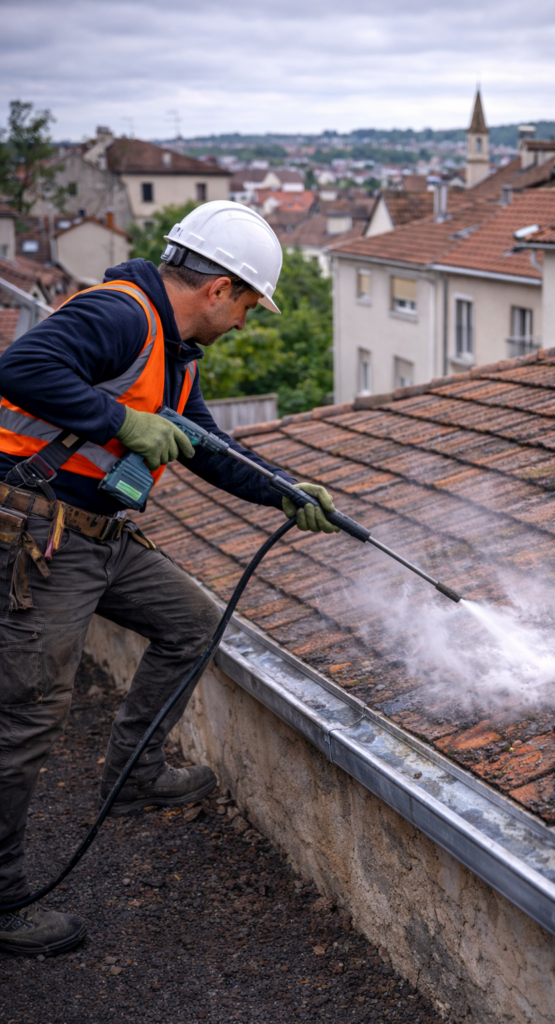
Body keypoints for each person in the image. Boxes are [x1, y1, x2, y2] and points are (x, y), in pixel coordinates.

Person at [0, 201, 338, 957]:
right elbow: (20, 368)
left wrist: (287, 489)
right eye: (249, 304)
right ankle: (3, 899)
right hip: (41, 531)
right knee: (27, 714)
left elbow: (210, 449)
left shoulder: (174, 352)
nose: (247, 323)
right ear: (218, 289)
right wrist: (119, 424)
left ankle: (134, 777)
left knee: (190, 622)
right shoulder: (121, 316)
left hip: (102, 533)